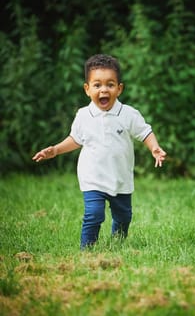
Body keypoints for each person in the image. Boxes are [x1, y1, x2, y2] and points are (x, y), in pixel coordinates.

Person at [32, 54, 166, 249]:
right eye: (97, 85)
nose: (104, 89)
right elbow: (75, 139)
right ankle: (87, 250)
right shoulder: (84, 115)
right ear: (87, 89)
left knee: (124, 217)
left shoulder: (128, 114)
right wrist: (55, 150)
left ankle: (117, 245)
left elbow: (145, 132)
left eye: (110, 85)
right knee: (93, 214)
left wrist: (154, 147)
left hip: (120, 178)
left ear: (119, 88)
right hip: (92, 178)